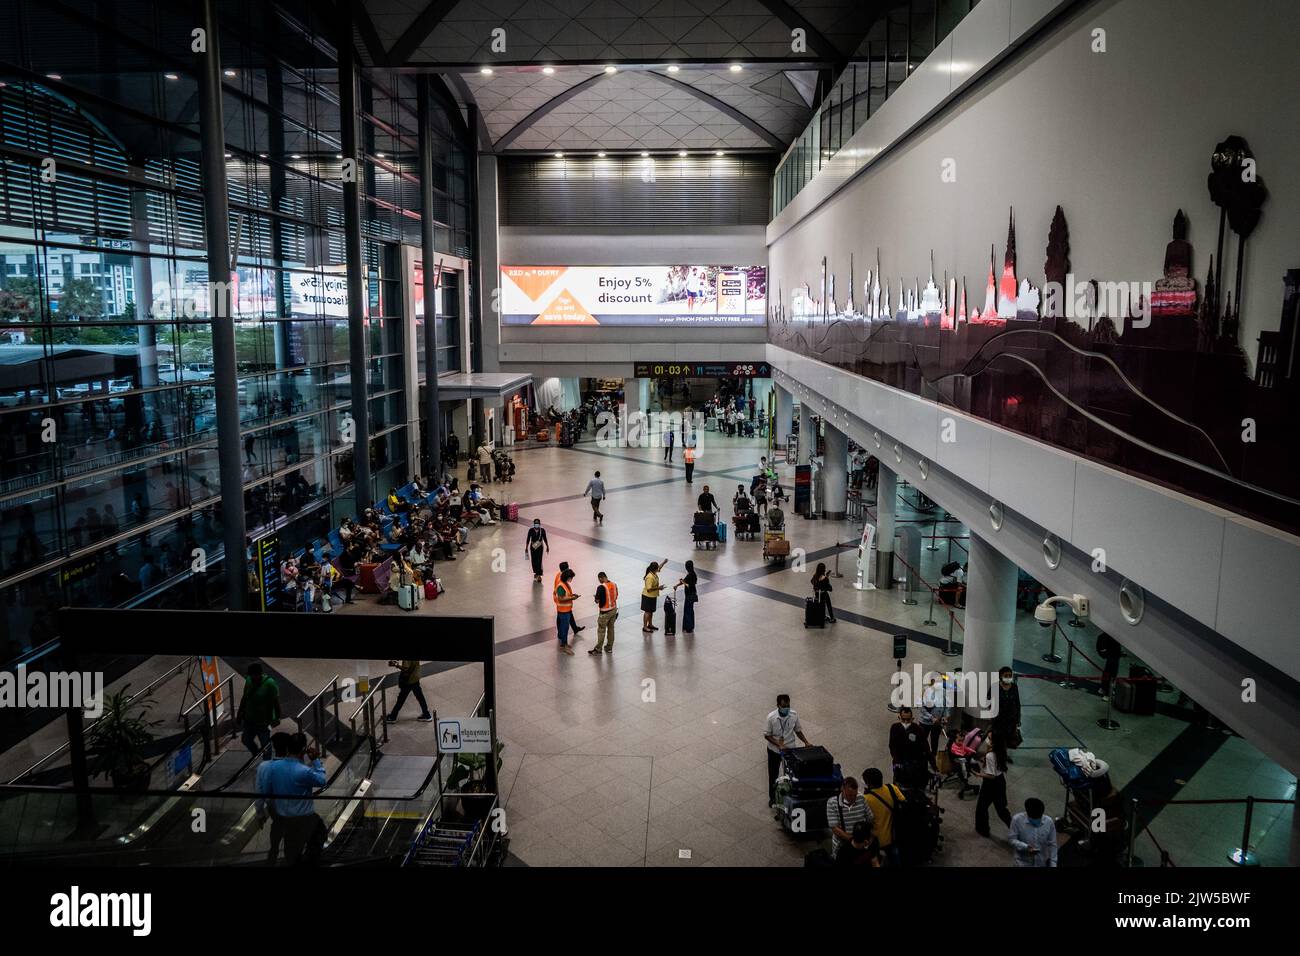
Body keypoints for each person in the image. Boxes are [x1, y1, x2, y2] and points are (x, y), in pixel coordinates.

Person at [259, 732, 327, 865]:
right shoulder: (303, 771)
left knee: (291, 850)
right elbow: (322, 781)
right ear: (303, 749)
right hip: (305, 818)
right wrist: (315, 761)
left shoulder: (273, 767)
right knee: (318, 837)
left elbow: (266, 791)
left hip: (284, 817)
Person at [764, 693, 813, 806]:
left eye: (788, 705)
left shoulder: (793, 715)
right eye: (784, 705)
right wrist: (778, 744)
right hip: (774, 751)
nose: (786, 708)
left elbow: (798, 730)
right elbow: (767, 735)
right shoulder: (771, 717)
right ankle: (773, 798)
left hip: (790, 749)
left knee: (792, 773)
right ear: (778, 705)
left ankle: (791, 796)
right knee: (773, 775)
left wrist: (806, 741)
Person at [255, 731, 294, 865]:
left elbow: (259, 792)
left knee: (277, 825)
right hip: (291, 808)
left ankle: (273, 853)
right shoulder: (295, 767)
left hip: (273, 807)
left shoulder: (263, 767)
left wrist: (260, 813)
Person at [861, 767, 906, 867]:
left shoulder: (866, 799)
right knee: (895, 858)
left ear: (869, 784)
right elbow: (903, 801)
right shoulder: (892, 788)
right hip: (894, 834)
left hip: (876, 840)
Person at [236, 662, 280, 759]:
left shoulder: (270, 684)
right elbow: (244, 698)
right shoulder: (248, 680)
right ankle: (256, 753)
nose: (251, 677)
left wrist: (277, 717)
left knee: (265, 744)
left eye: (253, 675)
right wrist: (239, 713)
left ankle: (266, 764)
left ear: (259, 674)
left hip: (264, 721)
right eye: (250, 675)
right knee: (246, 739)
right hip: (249, 719)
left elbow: (276, 702)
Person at [974, 729, 1012, 837]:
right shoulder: (1001, 751)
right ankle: (1016, 830)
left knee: (982, 807)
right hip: (1000, 782)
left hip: (991, 784)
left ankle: (983, 829)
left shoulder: (990, 755)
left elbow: (991, 775)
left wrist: (979, 774)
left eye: (989, 739)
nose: (987, 740)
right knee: (1002, 810)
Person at [826, 777, 873, 862]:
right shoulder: (832, 803)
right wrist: (854, 840)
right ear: (842, 790)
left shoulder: (861, 798)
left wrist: (863, 838)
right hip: (842, 848)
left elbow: (870, 818)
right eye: (849, 795)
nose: (852, 798)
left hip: (860, 847)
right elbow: (835, 828)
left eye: (854, 795)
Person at [1008, 797, 1058, 867]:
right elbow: (1011, 839)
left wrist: (1053, 863)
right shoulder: (1017, 820)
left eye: (1039, 817)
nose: (1037, 820)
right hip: (1022, 862)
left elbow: (1053, 844)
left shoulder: (1049, 822)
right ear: (1027, 813)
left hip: (1041, 862)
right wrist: (1025, 847)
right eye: (1035, 818)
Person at [888, 706, 930, 786]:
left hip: (914, 763)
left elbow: (926, 747)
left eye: (908, 720)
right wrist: (896, 759)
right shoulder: (895, 728)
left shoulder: (918, 730)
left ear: (912, 719)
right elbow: (892, 745)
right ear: (899, 718)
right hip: (899, 762)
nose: (906, 722)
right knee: (898, 785)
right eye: (903, 720)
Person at [918, 674, 948, 767]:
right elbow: (921, 707)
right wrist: (932, 717)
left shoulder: (943, 691)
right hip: (925, 722)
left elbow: (946, 705)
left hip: (937, 722)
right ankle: (921, 757)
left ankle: (933, 757)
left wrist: (945, 716)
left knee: (935, 740)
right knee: (923, 739)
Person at [991, 666, 1021, 753]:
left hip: (1011, 720)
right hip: (998, 719)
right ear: (1000, 676)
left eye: (1010, 675)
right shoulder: (995, 687)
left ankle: (1004, 753)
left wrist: (1018, 719)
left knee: (1008, 738)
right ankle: (998, 754)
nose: (1008, 677)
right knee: (998, 739)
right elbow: (988, 699)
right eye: (1006, 675)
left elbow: (1017, 703)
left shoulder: (1014, 687)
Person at [589, 571, 618, 655]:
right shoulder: (614, 584)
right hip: (613, 609)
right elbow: (616, 596)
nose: (599, 581)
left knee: (601, 631)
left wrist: (596, 598)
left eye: (599, 579)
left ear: (601, 578)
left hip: (605, 612)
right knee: (611, 629)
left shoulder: (601, 587)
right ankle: (609, 648)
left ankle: (598, 649)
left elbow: (597, 601)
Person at [554, 568, 579, 656]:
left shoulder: (565, 584)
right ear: (568, 577)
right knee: (565, 628)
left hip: (566, 610)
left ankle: (563, 643)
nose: (572, 579)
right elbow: (561, 598)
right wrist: (571, 598)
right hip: (563, 611)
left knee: (564, 628)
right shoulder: (561, 586)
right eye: (571, 577)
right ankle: (564, 646)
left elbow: (566, 595)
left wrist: (572, 596)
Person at [641, 559, 668, 633]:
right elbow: (649, 589)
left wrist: (664, 562)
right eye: (657, 569)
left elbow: (659, 567)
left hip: (652, 596)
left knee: (651, 611)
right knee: (647, 612)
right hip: (647, 596)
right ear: (654, 569)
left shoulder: (654, 572)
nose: (658, 570)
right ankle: (645, 627)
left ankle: (650, 624)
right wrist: (659, 588)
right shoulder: (650, 577)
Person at [674, 560, 698, 634]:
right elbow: (685, 581)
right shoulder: (692, 574)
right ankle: (689, 626)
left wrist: (683, 582)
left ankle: (689, 627)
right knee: (690, 610)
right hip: (692, 594)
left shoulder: (691, 575)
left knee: (688, 610)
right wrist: (677, 585)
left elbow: (689, 585)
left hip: (690, 595)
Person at [1097, 632, 1123, 698]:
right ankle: (1107, 692)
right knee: (1112, 671)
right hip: (1113, 650)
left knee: (1108, 669)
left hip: (1111, 648)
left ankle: (1103, 688)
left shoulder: (1103, 637)